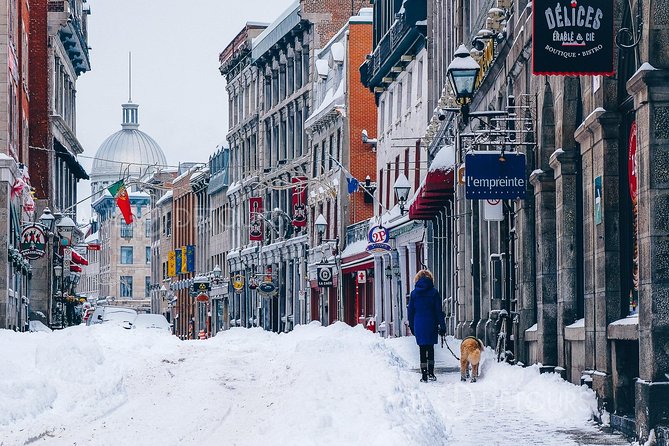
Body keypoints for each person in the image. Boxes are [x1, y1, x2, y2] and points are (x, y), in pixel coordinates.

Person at [407, 269, 446, 383]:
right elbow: (438, 311)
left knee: (422, 349)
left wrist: (412, 326)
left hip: (419, 323)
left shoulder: (414, 294)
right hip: (431, 323)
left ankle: (424, 375)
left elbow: (410, 312)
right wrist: (442, 326)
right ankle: (431, 373)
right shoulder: (434, 292)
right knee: (430, 349)